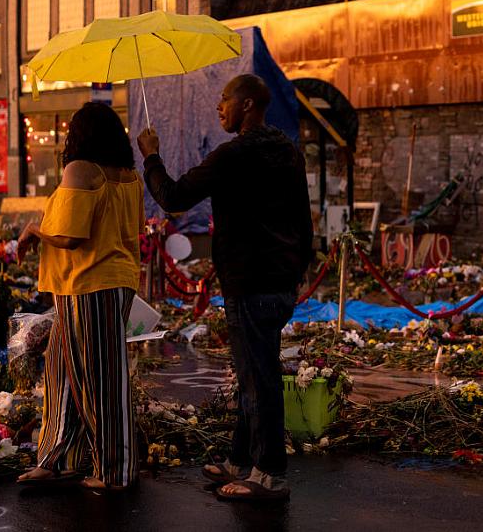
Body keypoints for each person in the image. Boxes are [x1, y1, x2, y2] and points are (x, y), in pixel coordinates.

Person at [137, 74, 312, 501]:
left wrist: (152, 156)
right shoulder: (287, 151)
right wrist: (296, 270)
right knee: (253, 372)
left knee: (259, 378)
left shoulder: (233, 155)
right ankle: (240, 459)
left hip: (250, 282)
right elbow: (304, 218)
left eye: (224, 100)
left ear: (248, 104)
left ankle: (269, 474)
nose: (219, 107)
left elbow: (173, 196)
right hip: (279, 280)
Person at [16, 102, 144, 491]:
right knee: (61, 373)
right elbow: (135, 227)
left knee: (100, 379)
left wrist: (35, 230)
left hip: (90, 283)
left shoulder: (80, 170)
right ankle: (59, 458)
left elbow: (72, 237)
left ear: (80, 133)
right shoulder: (128, 175)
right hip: (102, 282)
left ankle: (114, 470)